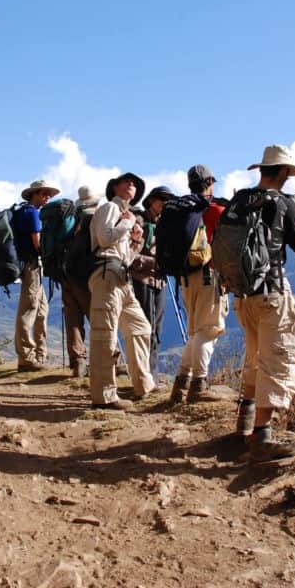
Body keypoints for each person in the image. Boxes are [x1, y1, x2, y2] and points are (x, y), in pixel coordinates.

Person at [229, 145, 295, 462]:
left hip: (242, 295)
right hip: (272, 293)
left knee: (253, 357)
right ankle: (262, 436)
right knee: (275, 360)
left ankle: (244, 426)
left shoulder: (239, 200)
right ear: (282, 172)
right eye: (288, 173)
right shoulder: (284, 203)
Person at [88, 172, 157, 410]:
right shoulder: (109, 208)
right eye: (126, 182)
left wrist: (136, 242)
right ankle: (104, 397)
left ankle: (143, 385)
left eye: (135, 184)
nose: (132, 185)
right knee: (104, 335)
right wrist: (128, 224)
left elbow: (126, 258)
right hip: (106, 273)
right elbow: (104, 239)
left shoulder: (126, 216)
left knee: (141, 328)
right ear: (114, 187)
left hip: (120, 276)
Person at [170, 165, 229, 404]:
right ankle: (199, 386)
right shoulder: (215, 210)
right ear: (210, 182)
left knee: (195, 333)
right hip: (208, 276)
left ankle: (180, 385)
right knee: (208, 331)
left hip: (186, 278)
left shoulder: (183, 211)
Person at [12, 179, 60, 372]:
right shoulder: (31, 213)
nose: (47, 197)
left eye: (49, 194)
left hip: (30, 266)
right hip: (31, 265)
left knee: (41, 309)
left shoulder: (24, 211)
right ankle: (26, 358)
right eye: (44, 193)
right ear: (34, 194)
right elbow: (37, 243)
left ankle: (39, 356)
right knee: (29, 307)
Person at [130, 186, 174, 375]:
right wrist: (156, 263)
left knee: (156, 330)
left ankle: (150, 374)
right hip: (143, 280)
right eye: (161, 199)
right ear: (151, 201)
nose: (165, 203)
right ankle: (145, 375)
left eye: (168, 200)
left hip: (159, 281)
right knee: (146, 329)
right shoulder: (139, 222)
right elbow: (131, 255)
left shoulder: (165, 224)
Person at [61, 186, 100, 376]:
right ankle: (110, 361)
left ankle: (78, 363)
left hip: (66, 272)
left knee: (73, 320)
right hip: (85, 277)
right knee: (99, 318)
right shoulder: (93, 218)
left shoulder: (70, 217)